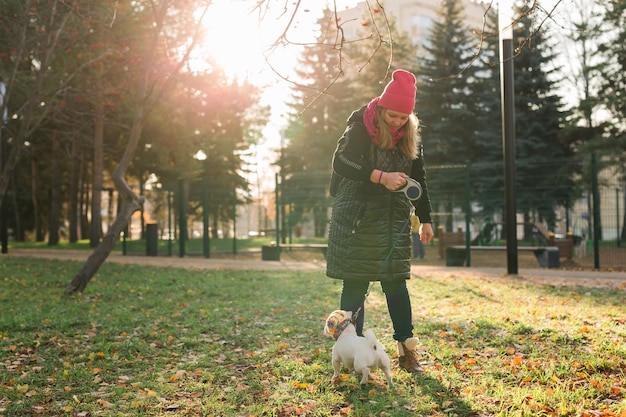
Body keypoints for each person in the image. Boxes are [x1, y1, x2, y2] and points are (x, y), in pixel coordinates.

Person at [326, 69, 434, 373]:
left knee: (396, 283)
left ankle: (406, 351)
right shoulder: (361, 126)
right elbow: (341, 161)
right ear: (382, 107)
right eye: (392, 116)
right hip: (358, 217)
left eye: (403, 117)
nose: (397, 122)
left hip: (393, 217)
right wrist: (380, 176)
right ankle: (351, 351)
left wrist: (425, 218)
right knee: (356, 281)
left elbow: (419, 177)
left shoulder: (410, 135)